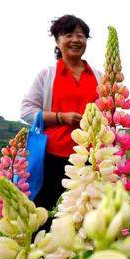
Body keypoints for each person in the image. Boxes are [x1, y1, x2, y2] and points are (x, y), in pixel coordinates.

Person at [20, 15, 102, 217]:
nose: (75, 40)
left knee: (88, 214)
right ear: (57, 40)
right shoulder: (47, 74)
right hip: (54, 156)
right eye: (68, 35)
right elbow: (27, 111)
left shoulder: (100, 76)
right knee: (47, 212)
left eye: (81, 35)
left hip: (92, 157)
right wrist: (60, 117)